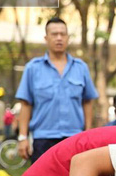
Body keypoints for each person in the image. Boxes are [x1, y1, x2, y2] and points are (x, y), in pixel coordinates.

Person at [15, 17, 98, 163]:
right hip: (43, 139)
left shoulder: (80, 67)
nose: (59, 38)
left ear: (68, 38)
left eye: (62, 34)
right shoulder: (33, 68)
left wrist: (87, 134)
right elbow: (26, 104)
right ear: (46, 38)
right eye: (54, 34)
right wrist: (22, 137)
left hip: (74, 138)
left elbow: (87, 102)